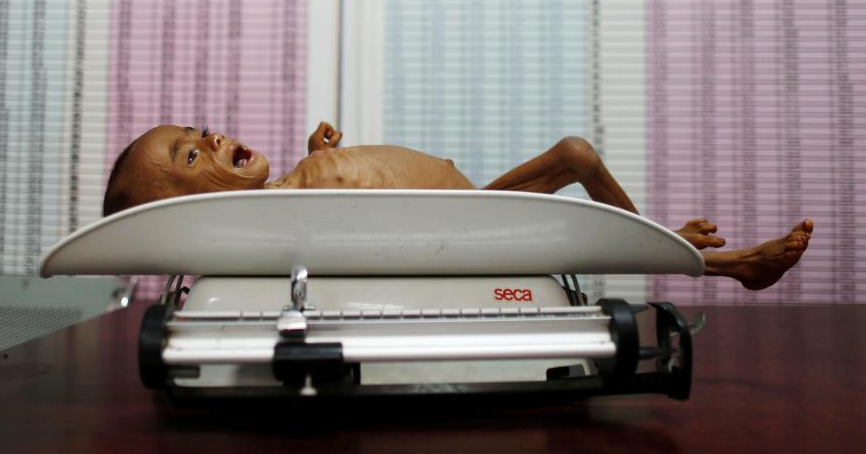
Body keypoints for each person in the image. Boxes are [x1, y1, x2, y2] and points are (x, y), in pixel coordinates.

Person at [103, 121, 814, 291]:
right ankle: (728, 264)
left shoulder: (291, 187)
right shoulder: (287, 212)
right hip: (475, 227)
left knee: (574, 155)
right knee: (576, 157)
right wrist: (326, 169)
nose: (212, 136)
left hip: (471, 201)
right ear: (177, 211)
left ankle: (663, 237)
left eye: (198, 131)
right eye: (191, 157)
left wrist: (318, 152)